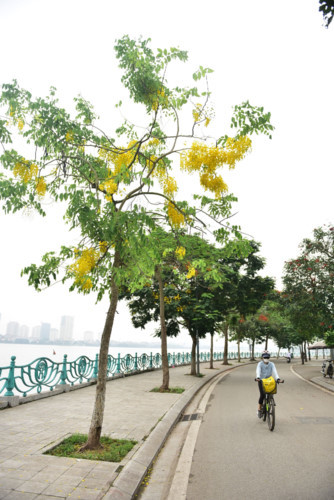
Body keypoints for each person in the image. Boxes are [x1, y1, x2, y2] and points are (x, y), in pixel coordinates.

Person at [255, 350, 281, 418]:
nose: (266, 359)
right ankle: (259, 409)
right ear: (262, 357)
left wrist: (278, 378)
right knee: (262, 395)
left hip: (269, 381)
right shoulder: (260, 364)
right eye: (265, 358)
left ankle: (270, 402)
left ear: (269, 358)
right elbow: (258, 371)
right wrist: (257, 377)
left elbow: (275, 372)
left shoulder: (272, 364)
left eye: (267, 358)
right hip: (261, 381)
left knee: (271, 393)